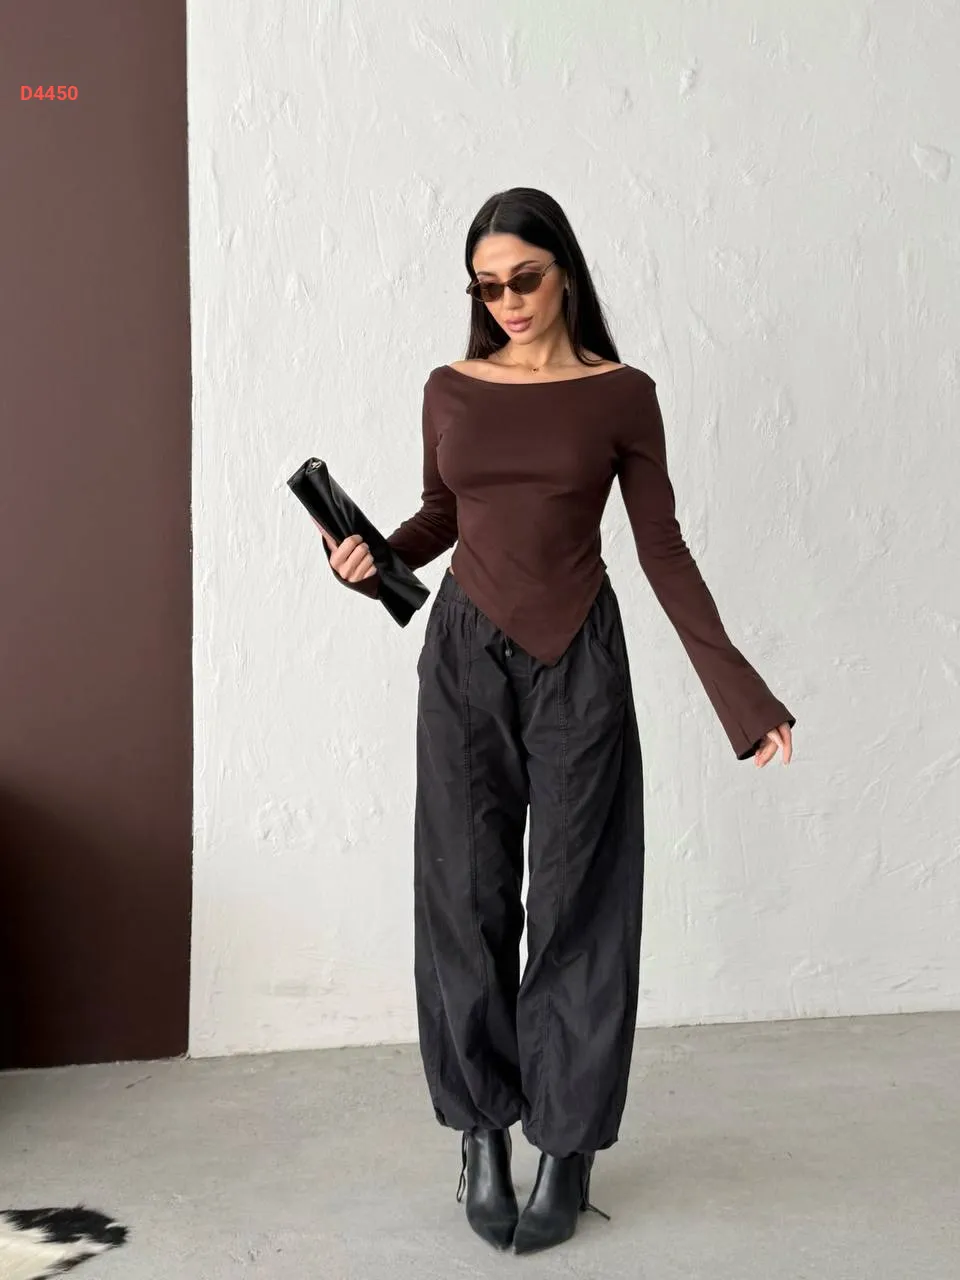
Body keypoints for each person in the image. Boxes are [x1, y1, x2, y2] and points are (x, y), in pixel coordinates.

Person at [318, 187, 795, 1256]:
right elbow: (443, 517)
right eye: (487, 286)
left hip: (579, 656)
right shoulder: (450, 388)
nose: (507, 301)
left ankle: (567, 1145)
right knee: (464, 897)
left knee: (581, 900)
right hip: (463, 658)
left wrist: (741, 694)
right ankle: (482, 1131)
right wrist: (365, 556)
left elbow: (662, 548)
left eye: (523, 278)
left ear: (564, 271)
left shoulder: (622, 395)